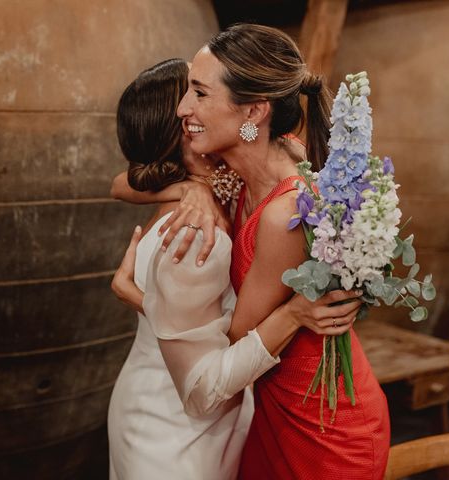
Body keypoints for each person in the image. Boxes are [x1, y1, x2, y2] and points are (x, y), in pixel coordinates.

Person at [107, 58, 360, 480]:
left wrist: (193, 186)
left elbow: (123, 182)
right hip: (171, 436)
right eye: (194, 94)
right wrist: (293, 313)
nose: (197, 102)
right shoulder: (191, 235)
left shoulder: (235, 181)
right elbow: (205, 380)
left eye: (201, 93)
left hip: (219, 420)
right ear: (186, 126)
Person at [160, 24, 391, 479]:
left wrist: (152, 306)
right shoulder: (266, 157)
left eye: (200, 94)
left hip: (324, 426)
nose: (184, 108)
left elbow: (235, 339)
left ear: (254, 110)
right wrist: (198, 188)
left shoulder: (284, 211)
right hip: (272, 409)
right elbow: (126, 182)